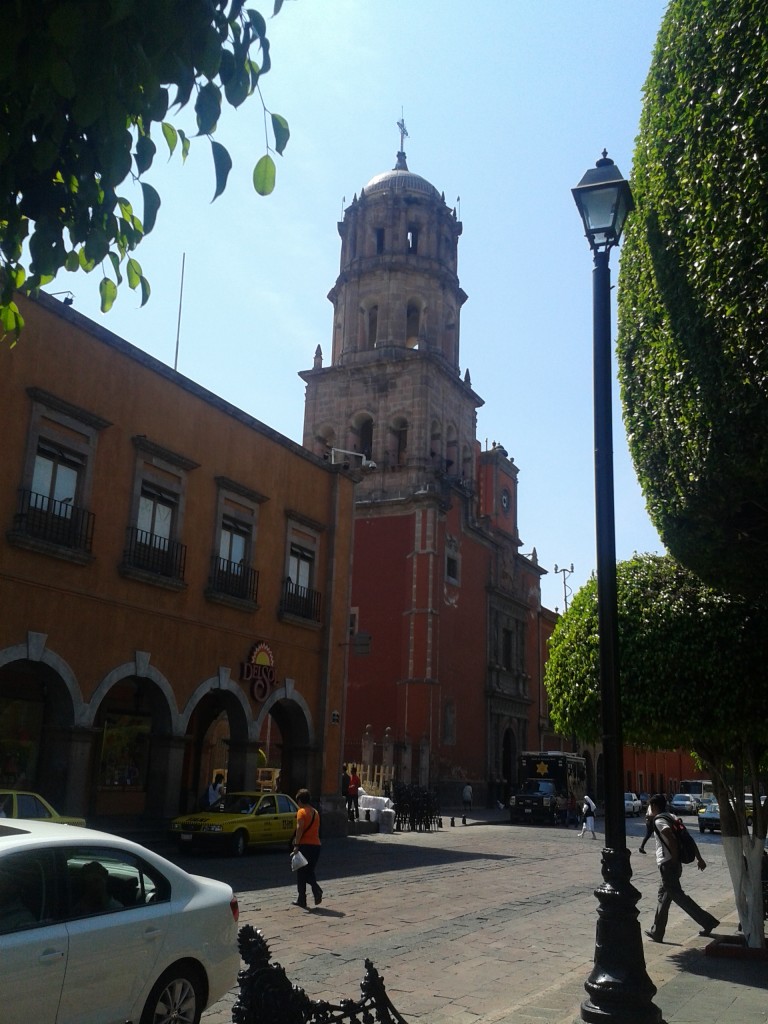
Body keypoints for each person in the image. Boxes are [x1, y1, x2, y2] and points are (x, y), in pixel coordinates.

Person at [643, 793, 718, 943]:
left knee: (679, 897)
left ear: (655, 806)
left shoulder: (659, 821)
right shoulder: (672, 816)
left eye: (650, 806)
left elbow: (671, 838)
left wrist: (674, 860)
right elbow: (687, 838)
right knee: (663, 897)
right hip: (672, 865)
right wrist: (699, 857)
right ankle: (657, 932)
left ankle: (707, 921)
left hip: (668, 864)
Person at [292, 788, 322, 908]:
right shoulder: (315, 812)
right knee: (309, 872)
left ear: (300, 800)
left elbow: (300, 829)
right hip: (316, 845)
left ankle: (303, 899)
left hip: (305, 845)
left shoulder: (301, 812)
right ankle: (315, 891)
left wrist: (296, 845)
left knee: (301, 873)